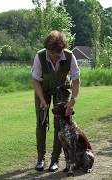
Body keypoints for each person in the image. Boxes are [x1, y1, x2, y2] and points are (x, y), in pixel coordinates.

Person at [32, 30, 80, 172]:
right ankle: (40, 158)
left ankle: (55, 160)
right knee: (41, 121)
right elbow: (35, 81)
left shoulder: (70, 56)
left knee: (60, 124)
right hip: (43, 89)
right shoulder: (40, 56)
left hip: (62, 89)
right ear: (48, 50)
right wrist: (42, 100)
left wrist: (73, 101)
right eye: (52, 54)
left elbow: (76, 81)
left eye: (58, 55)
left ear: (63, 49)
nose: (54, 58)